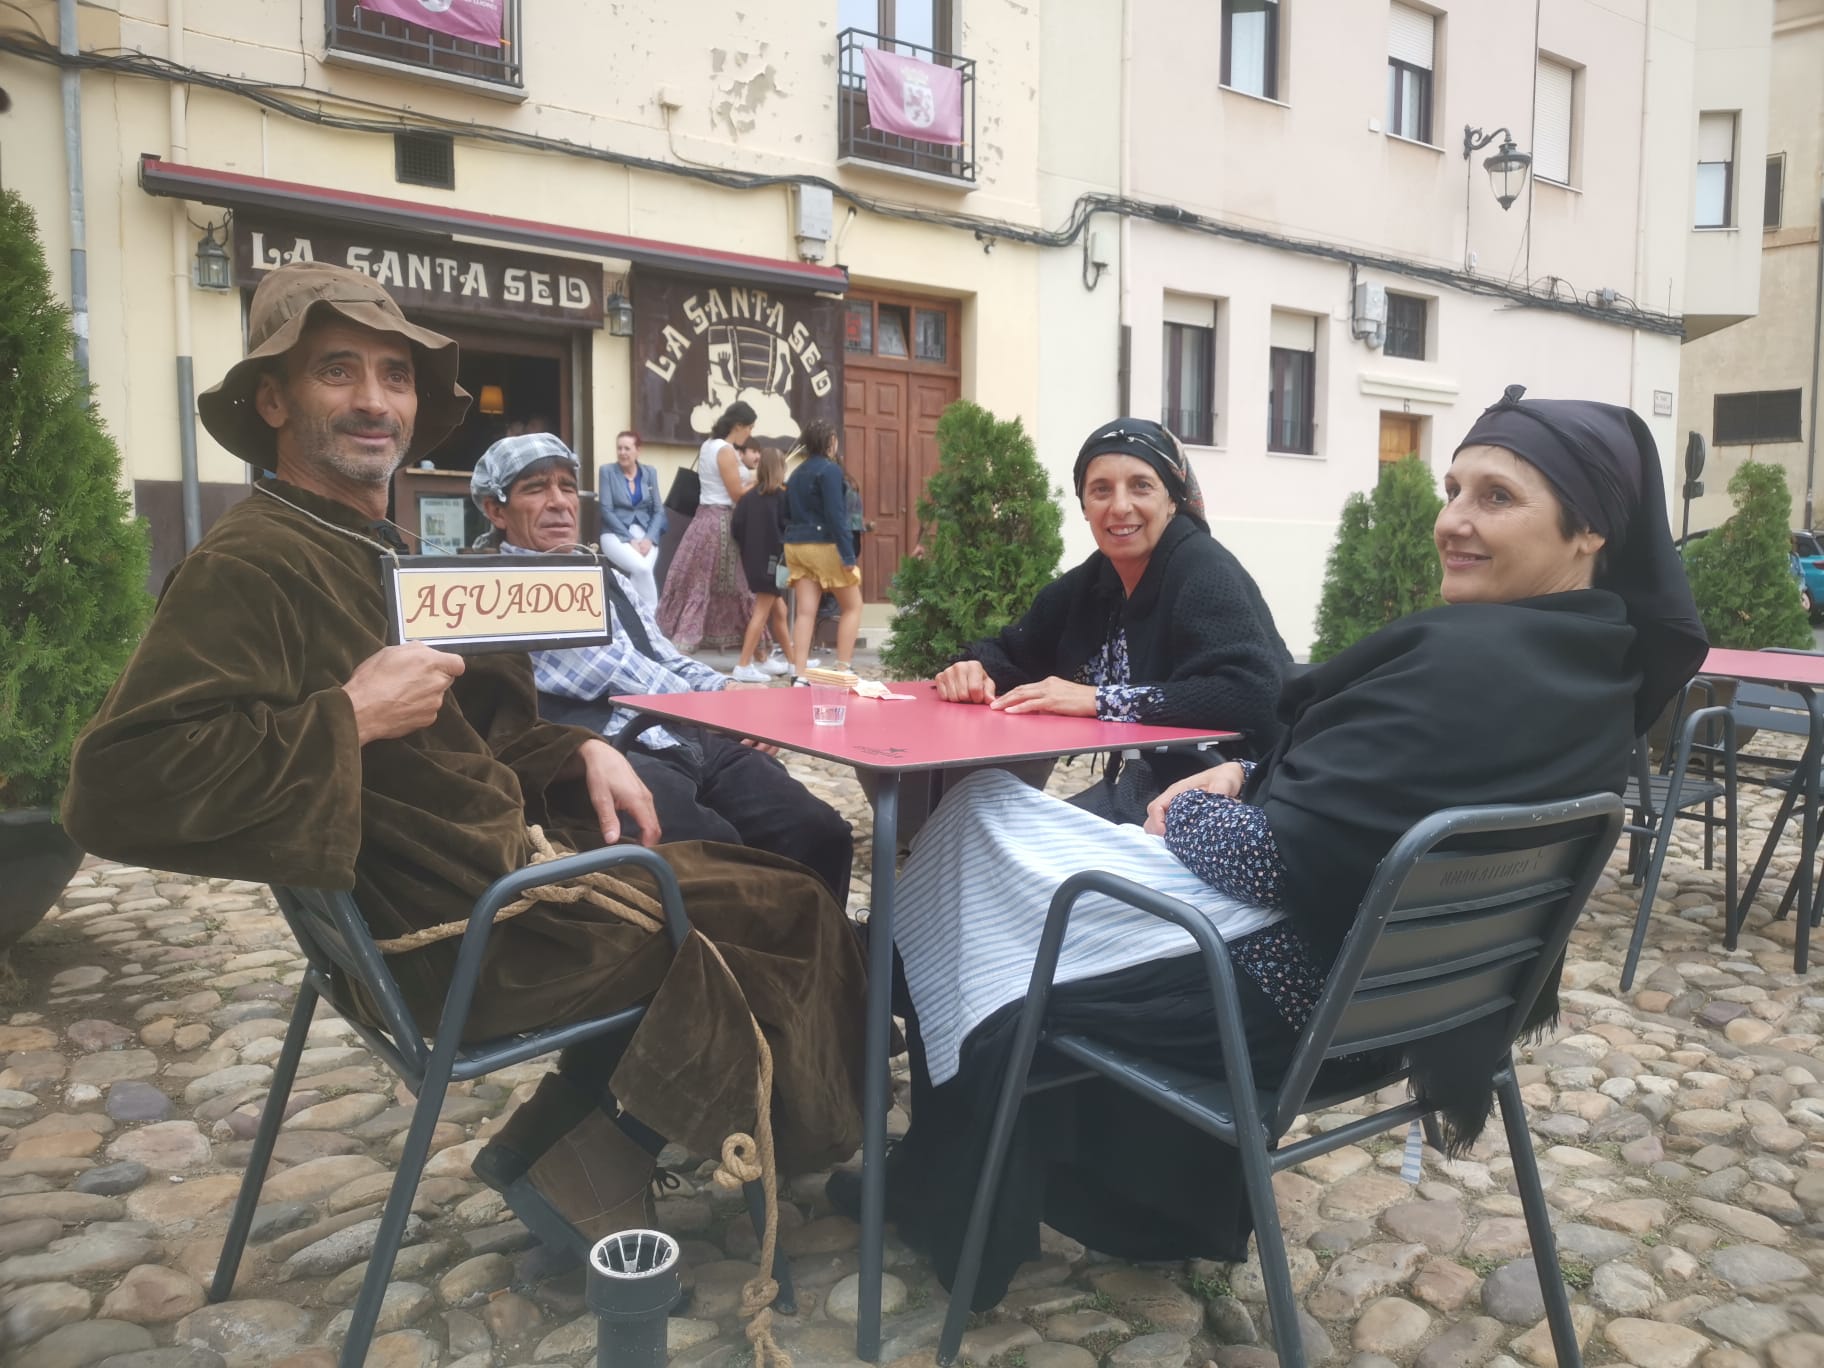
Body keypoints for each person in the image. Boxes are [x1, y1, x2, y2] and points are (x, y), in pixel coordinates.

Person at [841, 387, 1707, 1308]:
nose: (1453, 520)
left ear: (1591, 534)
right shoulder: (1594, 666)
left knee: (971, 828)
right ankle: (999, 1139)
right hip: (1397, 992)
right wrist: (1246, 779)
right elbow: (1370, 802)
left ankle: (936, 1159)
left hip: (1277, 993)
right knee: (989, 850)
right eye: (1453, 489)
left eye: (1497, 498)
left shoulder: (1468, 663)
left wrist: (1189, 809)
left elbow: (1272, 846)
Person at [61, 262, 867, 1248]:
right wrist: (347, 715)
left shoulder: (374, 548)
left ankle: (577, 1144)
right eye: (338, 372)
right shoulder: (254, 561)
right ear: (273, 399)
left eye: (394, 377)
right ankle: (701, 1151)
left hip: (489, 893)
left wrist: (574, 753)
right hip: (467, 940)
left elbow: (470, 732)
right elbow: (113, 788)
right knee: (788, 907)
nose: (373, 400)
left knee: (775, 855)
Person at [471, 432, 853, 901]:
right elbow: (612, 672)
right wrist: (711, 704)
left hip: (683, 734)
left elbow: (660, 654)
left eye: (567, 487)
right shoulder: (489, 593)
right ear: (495, 509)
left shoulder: (601, 572)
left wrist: (726, 694)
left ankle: (840, 962)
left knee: (820, 831)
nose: (559, 503)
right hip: (612, 750)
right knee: (728, 867)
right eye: (536, 489)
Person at [934, 417, 1292, 825]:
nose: (1120, 506)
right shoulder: (1097, 580)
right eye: (1101, 490)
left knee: (1011, 843)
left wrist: (1097, 701)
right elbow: (1017, 648)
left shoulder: (1202, 569)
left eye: (1141, 485)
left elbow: (1252, 693)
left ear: (1172, 500)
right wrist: (974, 669)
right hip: (1150, 783)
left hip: (1243, 796)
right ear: (1085, 507)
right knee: (981, 826)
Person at [656, 401, 756, 652]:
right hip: (720, 522)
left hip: (703, 520)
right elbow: (736, 494)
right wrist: (760, 481)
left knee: (696, 581)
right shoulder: (725, 450)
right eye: (750, 428)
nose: (750, 434)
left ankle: (684, 638)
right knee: (728, 583)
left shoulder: (708, 445)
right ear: (739, 425)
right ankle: (752, 648)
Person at [784, 419, 862, 675]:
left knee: (806, 612)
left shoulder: (795, 473)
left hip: (795, 545)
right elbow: (835, 514)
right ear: (830, 443)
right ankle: (843, 667)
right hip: (824, 545)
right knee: (852, 606)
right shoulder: (830, 471)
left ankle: (799, 673)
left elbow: (785, 512)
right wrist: (848, 554)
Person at [730, 446, 794, 683]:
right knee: (761, 612)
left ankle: (793, 663)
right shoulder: (782, 497)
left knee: (780, 610)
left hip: (753, 562)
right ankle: (743, 664)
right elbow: (789, 529)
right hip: (775, 563)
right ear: (781, 470)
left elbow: (736, 528)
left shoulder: (748, 498)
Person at [597, 428, 667, 609]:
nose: (622, 453)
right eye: (619, 448)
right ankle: (652, 617)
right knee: (643, 569)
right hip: (615, 534)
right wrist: (630, 540)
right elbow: (606, 510)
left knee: (642, 572)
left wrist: (649, 538)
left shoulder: (649, 473)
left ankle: (634, 618)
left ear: (637, 450)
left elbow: (658, 510)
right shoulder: (607, 471)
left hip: (646, 534)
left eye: (627, 448)